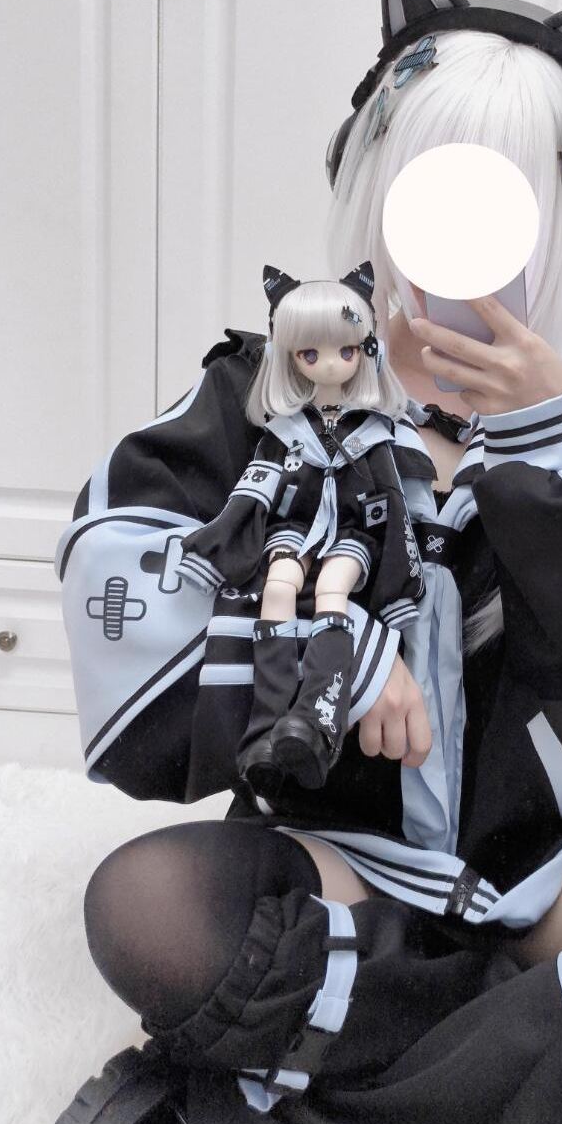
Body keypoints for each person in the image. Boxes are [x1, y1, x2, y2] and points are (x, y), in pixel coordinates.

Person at [49, 0, 562, 1124]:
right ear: (372, 186)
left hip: (546, 867)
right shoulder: (262, 401)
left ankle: (339, 1069)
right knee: (144, 906)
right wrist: (332, 656)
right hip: (336, 856)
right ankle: (560, 1060)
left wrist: (551, 440)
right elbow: (120, 569)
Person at [176, 261, 428, 792]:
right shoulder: (286, 429)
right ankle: (266, 727)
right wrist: (220, 541)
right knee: (277, 589)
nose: (330, 363)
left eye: (346, 350)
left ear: (365, 351)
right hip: (295, 527)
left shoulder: (375, 430)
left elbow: (392, 500)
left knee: (334, 590)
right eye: (310, 354)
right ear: (289, 356)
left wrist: (398, 567)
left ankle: (319, 718)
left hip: (353, 535)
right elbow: (255, 489)